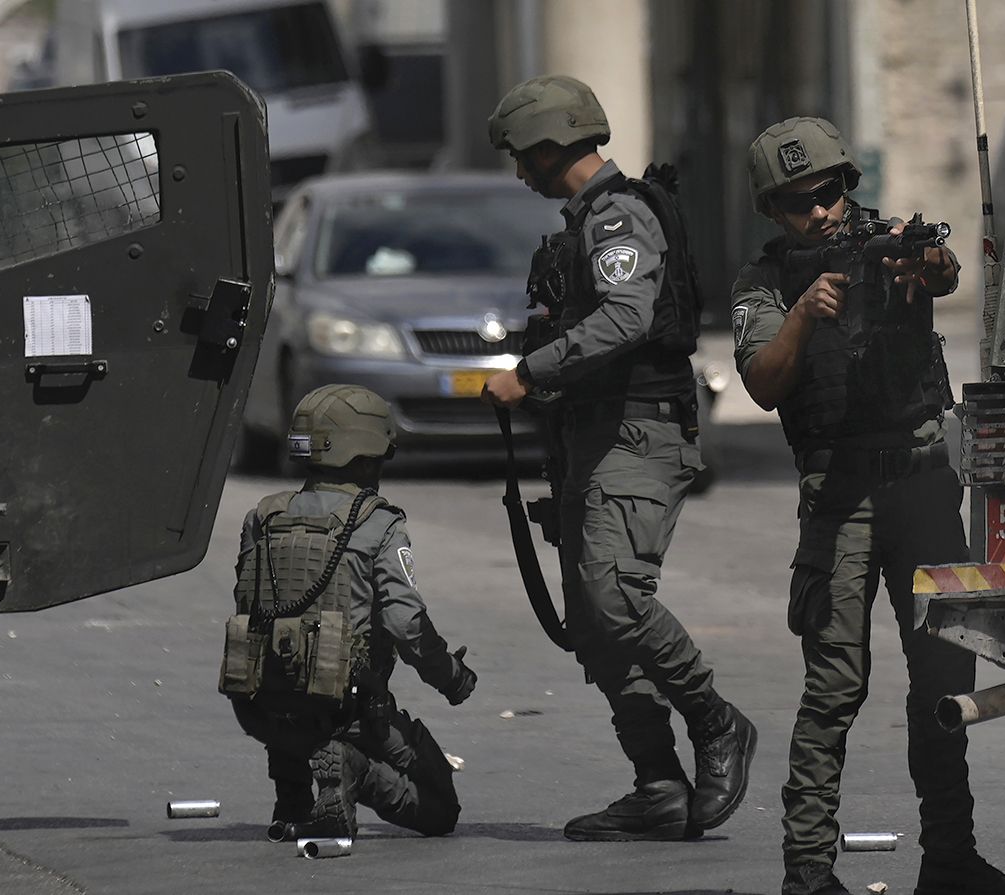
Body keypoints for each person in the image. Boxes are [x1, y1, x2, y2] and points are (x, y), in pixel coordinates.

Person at [731, 117, 1005, 895]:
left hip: (920, 480)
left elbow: (942, 273)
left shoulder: (887, 243)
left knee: (943, 677)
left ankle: (950, 858)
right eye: (800, 202)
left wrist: (928, 261)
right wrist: (807, 311)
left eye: (831, 193)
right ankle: (808, 873)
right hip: (838, 490)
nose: (822, 212)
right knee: (834, 686)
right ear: (775, 211)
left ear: (849, 186)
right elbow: (764, 383)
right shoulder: (764, 284)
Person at [480, 74, 756, 842]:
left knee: (613, 597)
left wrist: (529, 371)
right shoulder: (581, 225)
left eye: (521, 156)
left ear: (548, 145)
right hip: (587, 435)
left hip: (637, 433)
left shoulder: (619, 217)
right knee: (596, 628)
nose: (518, 172)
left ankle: (715, 719)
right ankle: (658, 784)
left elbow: (628, 317)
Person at [220, 384, 476, 841]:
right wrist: (452, 677)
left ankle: (292, 797)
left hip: (261, 710)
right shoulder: (378, 523)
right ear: (366, 456)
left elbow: (251, 610)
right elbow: (406, 625)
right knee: (441, 810)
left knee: (289, 679)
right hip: (348, 711)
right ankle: (354, 769)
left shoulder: (262, 517)